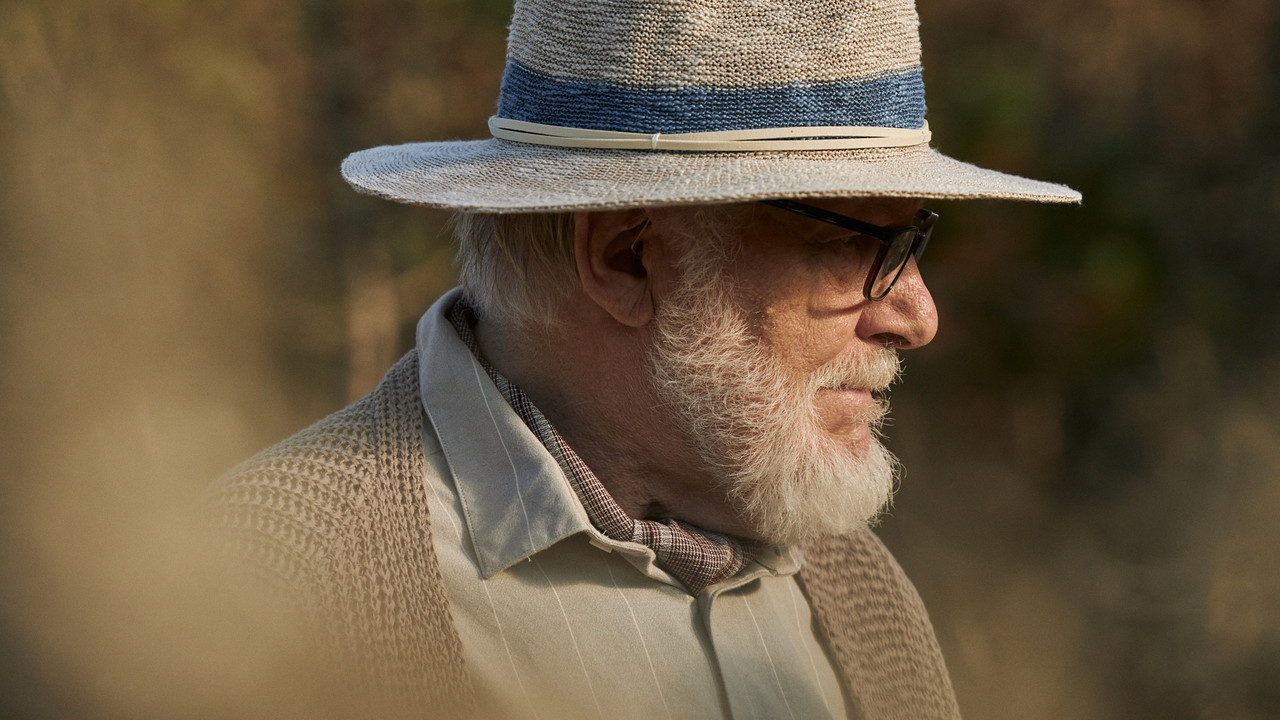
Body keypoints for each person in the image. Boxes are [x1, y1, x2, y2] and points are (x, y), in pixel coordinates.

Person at [205, 0, 1079, 718]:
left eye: (915, 239)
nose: (916, 315)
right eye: (858, 247)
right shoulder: (261, 587)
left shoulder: (861, 598)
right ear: (627, 258)